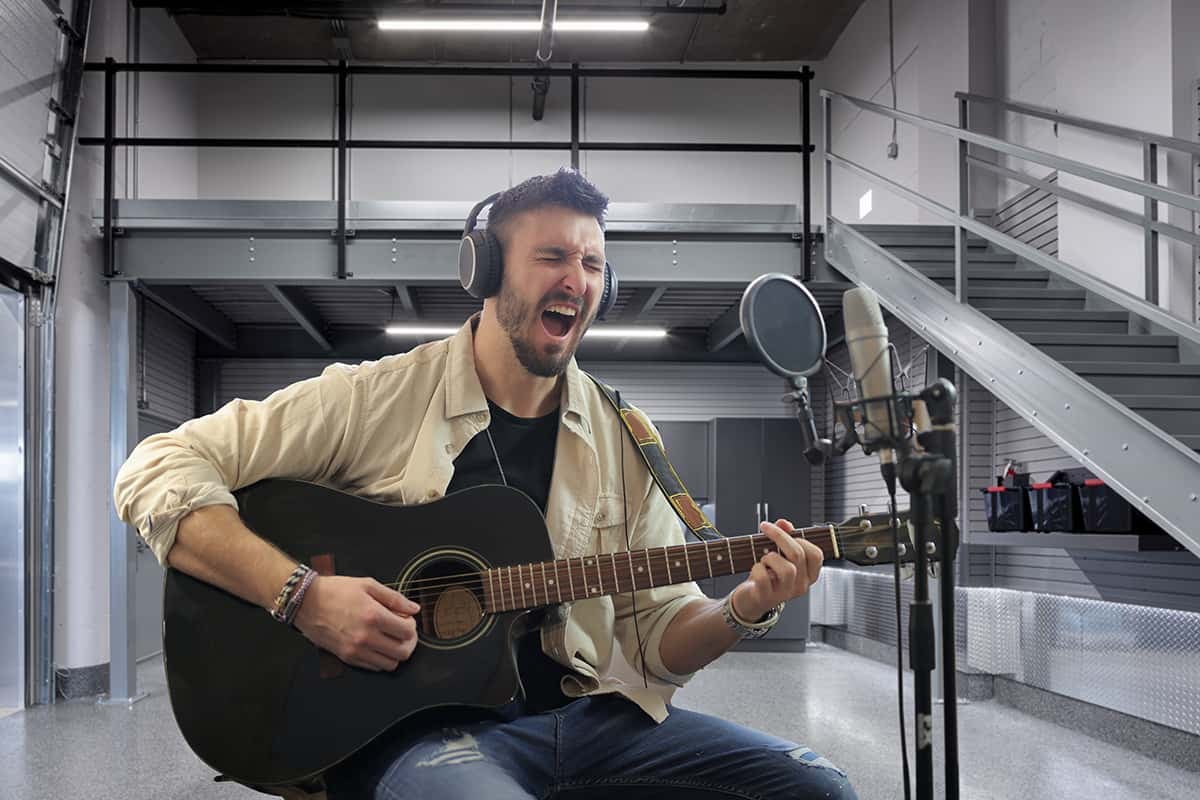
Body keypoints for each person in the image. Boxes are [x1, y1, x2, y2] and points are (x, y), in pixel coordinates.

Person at [113, 168, 857, 800]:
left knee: (821, 787)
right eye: (554, 256)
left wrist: (746, 608)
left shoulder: (626, 437)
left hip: (592, 714)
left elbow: (660, 640)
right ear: (487, 270)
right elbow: (156, 468)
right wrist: (302, 594)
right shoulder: (378, 398)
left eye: (595, 264)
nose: (578, 279)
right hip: (424, 732)